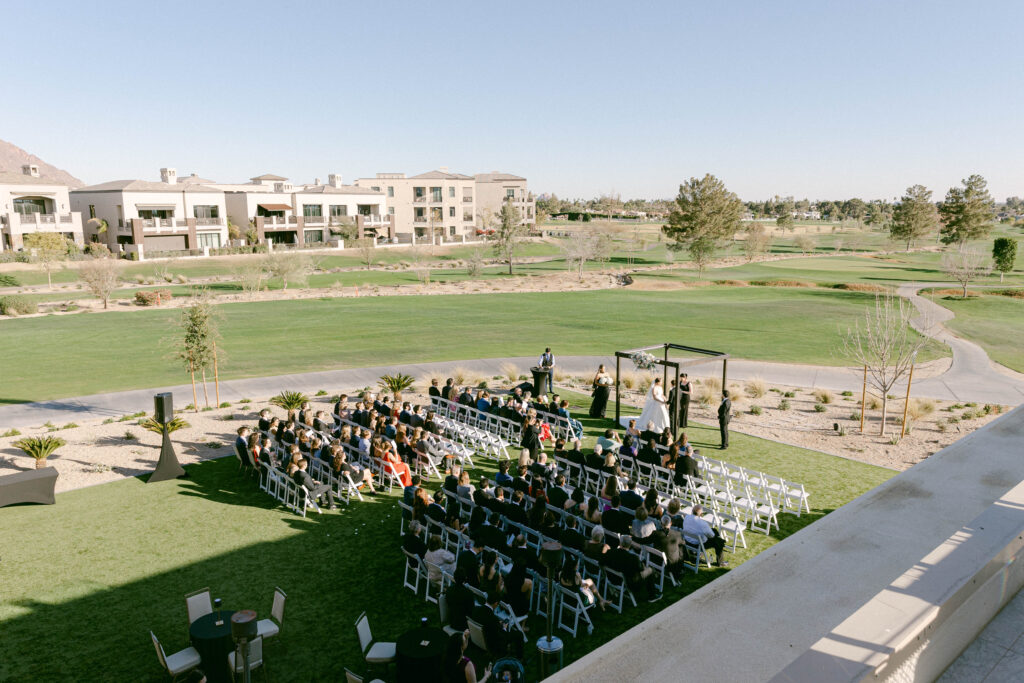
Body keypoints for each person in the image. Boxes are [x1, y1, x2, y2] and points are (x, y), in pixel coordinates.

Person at [603, 535, 661, 602]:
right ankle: (652, 596)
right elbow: (641, 570)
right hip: (631, 582)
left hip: (614, 579)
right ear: (630, 545)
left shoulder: (610, 552)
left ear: (620, 543)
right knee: (649, 570)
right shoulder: (632, 558)